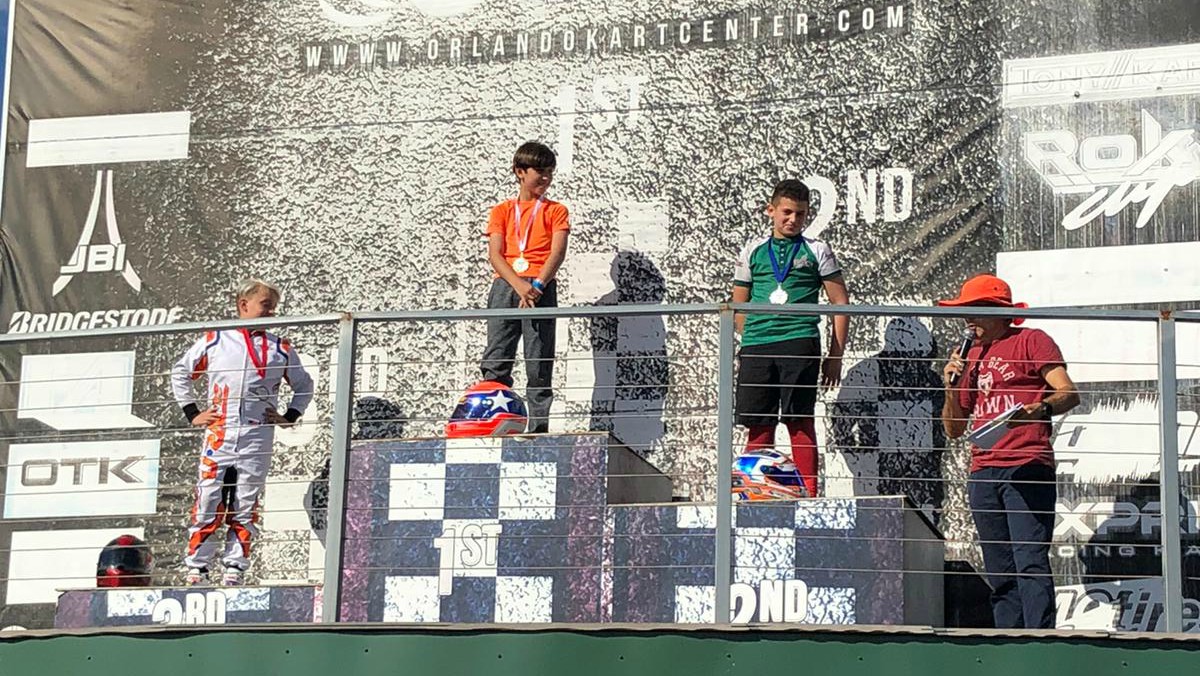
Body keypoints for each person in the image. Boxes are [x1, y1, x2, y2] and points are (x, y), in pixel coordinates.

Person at [939, 273, 1080, 629]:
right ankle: (1008, 641)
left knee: (1030, 561)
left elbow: (1068, 392)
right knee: (999, 568)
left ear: (1000, 312)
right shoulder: (968, 356)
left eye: (975, 311)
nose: (967, 320)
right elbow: (954, 429)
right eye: (964, 312)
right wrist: (950, 387)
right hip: (983, 471)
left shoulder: (1031, 340)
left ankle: (1039, 641)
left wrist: (1039, 409)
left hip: (1027, 463)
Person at [171, 279, 314, 586]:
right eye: (266, 306)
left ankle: (235, 568)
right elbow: (181, 372)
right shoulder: (216, 340)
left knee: (246, 502)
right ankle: (197, 568)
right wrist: (193, 412)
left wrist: (290, 416)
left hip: (257, 436)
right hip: (219, 434)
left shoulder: (280, 347)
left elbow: (304, 385)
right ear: (243, 305)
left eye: (273, 308)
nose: (271, 312)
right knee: (208, 498)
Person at [732, 179, 850, 497]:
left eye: (800, 214)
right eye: (786, 212)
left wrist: (835, 356)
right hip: (757, 345)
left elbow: (840, 302)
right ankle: (755, 493)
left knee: (799, 420)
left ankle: (809, 495)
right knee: (758, 424)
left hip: (799, 341)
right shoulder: (753, 250)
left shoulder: (817, 249)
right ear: (770, 211)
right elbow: (738, 303)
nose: (793, 220)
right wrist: (752, 335)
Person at [479, 141, 570, 434]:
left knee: (539, 360)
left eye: (550, 172)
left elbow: (557, 252)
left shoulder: (556, 210)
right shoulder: (502, 211)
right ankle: (494, 423)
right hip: (507, 285)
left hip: (540, 287)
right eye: (539, 171)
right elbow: (496, 254)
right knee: (497, 357)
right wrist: (519, 285)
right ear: (520, 172)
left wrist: (537, 285)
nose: (546, 178)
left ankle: (538, 428)